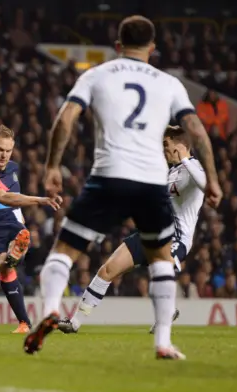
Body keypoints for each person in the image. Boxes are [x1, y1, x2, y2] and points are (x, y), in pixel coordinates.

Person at [24, 15, 221, 360]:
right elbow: (198, 129)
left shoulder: (97, 74)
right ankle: (160, 341)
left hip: (110, 174)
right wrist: (217, 180)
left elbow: (66, 118)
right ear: (152, 48)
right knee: (143, 266)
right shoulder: (169, 83)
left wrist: (53, 164)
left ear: (117, 46)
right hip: (148, 181)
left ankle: (49, 309)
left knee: (65, 250)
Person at [57, 125, 205, 334]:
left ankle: (167, 313)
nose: (163, 149)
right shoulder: (167, 172)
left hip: (175, 238)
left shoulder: (193, 169)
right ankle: (75, 321)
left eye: (166, 144)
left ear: (180, 145)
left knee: (160, 273)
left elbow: (205, 185)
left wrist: (185, 159)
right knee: (107, 270)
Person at [0, 125, 62, 333]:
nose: (4, 155)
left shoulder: (13, 169)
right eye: (0, 149)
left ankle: (5, 258)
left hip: (13, 227)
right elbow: (5, 197)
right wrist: (40, 200)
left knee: (11, 254)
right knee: (4, 265)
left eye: (8, 150)